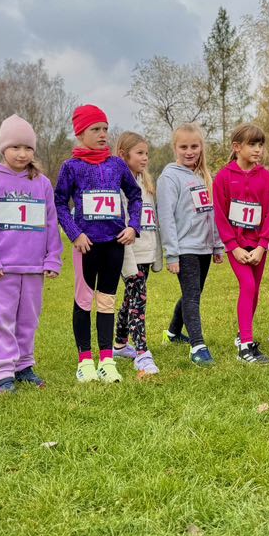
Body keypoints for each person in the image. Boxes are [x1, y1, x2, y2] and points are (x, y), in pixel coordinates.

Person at [0, 115, 62, 393]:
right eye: (15, 147)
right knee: (3, 319)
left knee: (28, 319)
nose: (22, 154)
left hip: (34, 267)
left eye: (28, 148)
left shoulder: (42, 183)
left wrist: (53, 257)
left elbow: (51, 222)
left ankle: (24, 365)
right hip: (2, 268)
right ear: (3, 148)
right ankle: (3, 371)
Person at [55, 104, 142, 384]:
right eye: (95, 129)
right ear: (80, 133)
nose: (103, 134)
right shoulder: (71, 167)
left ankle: (106, 360)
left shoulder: (117, 165)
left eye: (105, 128)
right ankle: (85, 361)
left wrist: (133, 226)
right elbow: (59, 203)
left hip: (114, 244)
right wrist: (74, 233)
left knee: (107, 301)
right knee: (84, 301)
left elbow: (135, 195)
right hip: (86, 246)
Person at [156, 123, 224, 366]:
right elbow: (166, 218)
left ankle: (173, 332)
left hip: (204, 247)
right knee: (192, 296)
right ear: (175, 148)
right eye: (183, 147)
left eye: (194, 146)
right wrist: (172, 254)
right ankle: (198, 346)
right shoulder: (169, 177)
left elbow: (212, 213)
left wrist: (217, 245)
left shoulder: (203, 176)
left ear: (201, 147)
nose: (189, 151)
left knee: (193, 293)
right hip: (185, 248)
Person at [213, 122, 269, 364]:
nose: (258, 149)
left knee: (255, 290)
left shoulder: (267, 178)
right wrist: (233, 246)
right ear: (237, 147)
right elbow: (220, 215)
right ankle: (245, 347)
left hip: (258, 246)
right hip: (237, 246)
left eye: (260, 144)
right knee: (248, 286)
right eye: (252, 144)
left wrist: (262, 245)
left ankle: (243, 334)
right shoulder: (223, 177)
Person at [112, 131, 162, 376]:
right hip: (129, 254)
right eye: (139, 153)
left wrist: (157, 255)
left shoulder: (147, 184)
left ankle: (120, 345)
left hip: (146, 253)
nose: (145, 158)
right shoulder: (119, 186)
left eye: (147, 154)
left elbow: (153, 222)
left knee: (130, 299)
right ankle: (142, 354)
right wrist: (128, 259)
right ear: (124, 155)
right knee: (138, 302)